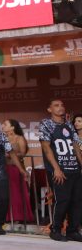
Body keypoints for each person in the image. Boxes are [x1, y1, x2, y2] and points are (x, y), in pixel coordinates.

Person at [37, 99, 82, 241]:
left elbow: (75, 146)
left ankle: (72, 230)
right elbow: (46, 147)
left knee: (77, 201)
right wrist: (56, 168)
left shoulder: (69, 124)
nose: (60, 107)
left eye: (62, 105)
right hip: (59, 170)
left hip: (74, 168)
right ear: (49, 109)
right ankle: (55, 229)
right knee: (62, 200)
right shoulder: (46, 124)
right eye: (56, 105)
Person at [2, 119, 34, 227]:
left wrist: (10, 155)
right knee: (5, 193)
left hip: (16, 168)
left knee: (16, 193)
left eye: (5, 124)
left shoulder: (19, 138)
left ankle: (18, 216)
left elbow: (22, 153)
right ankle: (7, 216)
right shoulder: (2, 138)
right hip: (3, 168)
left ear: (12, 127)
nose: (2, 125)